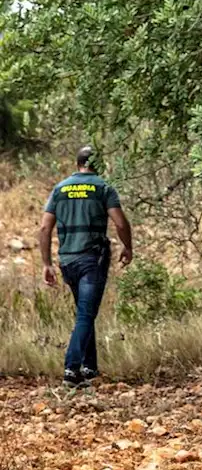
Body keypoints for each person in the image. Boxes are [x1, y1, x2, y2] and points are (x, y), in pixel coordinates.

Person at [38, 146, 133, 388]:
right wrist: (127, 247)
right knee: (86, 313)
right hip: (93, 259)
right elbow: (120, 222)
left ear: (77, 162)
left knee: (84, 311)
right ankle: (72, 369)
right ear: (96, 164)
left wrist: (47, 264)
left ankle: (90, 369)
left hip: (67, 260)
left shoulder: (60, 188)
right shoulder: (103, 187)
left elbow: (44, 228)